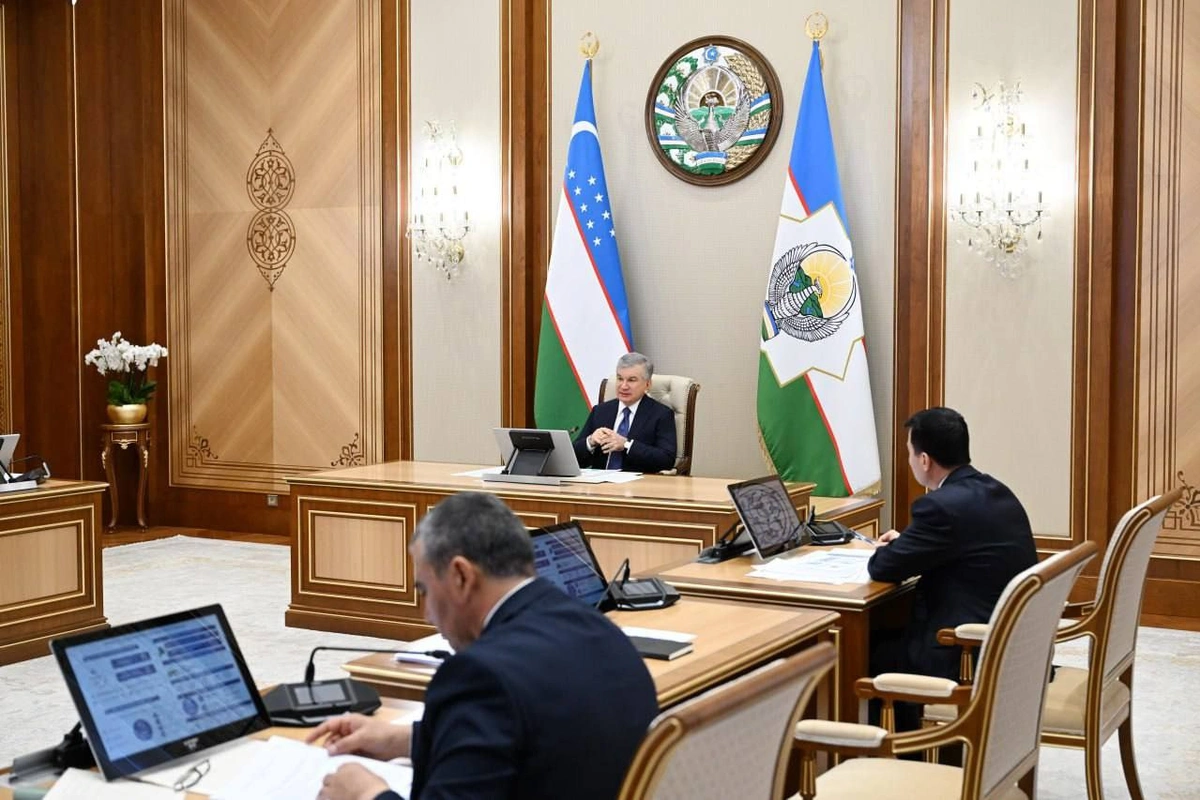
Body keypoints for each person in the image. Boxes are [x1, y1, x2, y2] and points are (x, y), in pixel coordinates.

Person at [309, 492, 658, 800]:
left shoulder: (479, 676)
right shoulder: (601, 631)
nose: (427, 614)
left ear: (461, 576)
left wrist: (366, 793)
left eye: (424, 590)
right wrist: (407, 740)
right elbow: (543, 736)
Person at [867, 407, 1036, 731]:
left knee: (863, 650)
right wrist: (910, 542)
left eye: (909, 453)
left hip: (965, 654)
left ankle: (901, 753)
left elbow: (883, 567)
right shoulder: (997, 491)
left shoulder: (939, 507)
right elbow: (964, 542)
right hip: (1010, 643)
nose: (909, 461)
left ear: (924, 460)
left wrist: (892, 548)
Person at [572, 352, 677, 473]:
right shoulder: (600, 411)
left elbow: (666, 459)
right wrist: (590, 442)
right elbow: (573, 458)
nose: (623, 386)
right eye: (620, 379)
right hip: (599, 481)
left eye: (631, 380)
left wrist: (626, 445)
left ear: (647, 384)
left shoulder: (661, 414)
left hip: (639, 482)